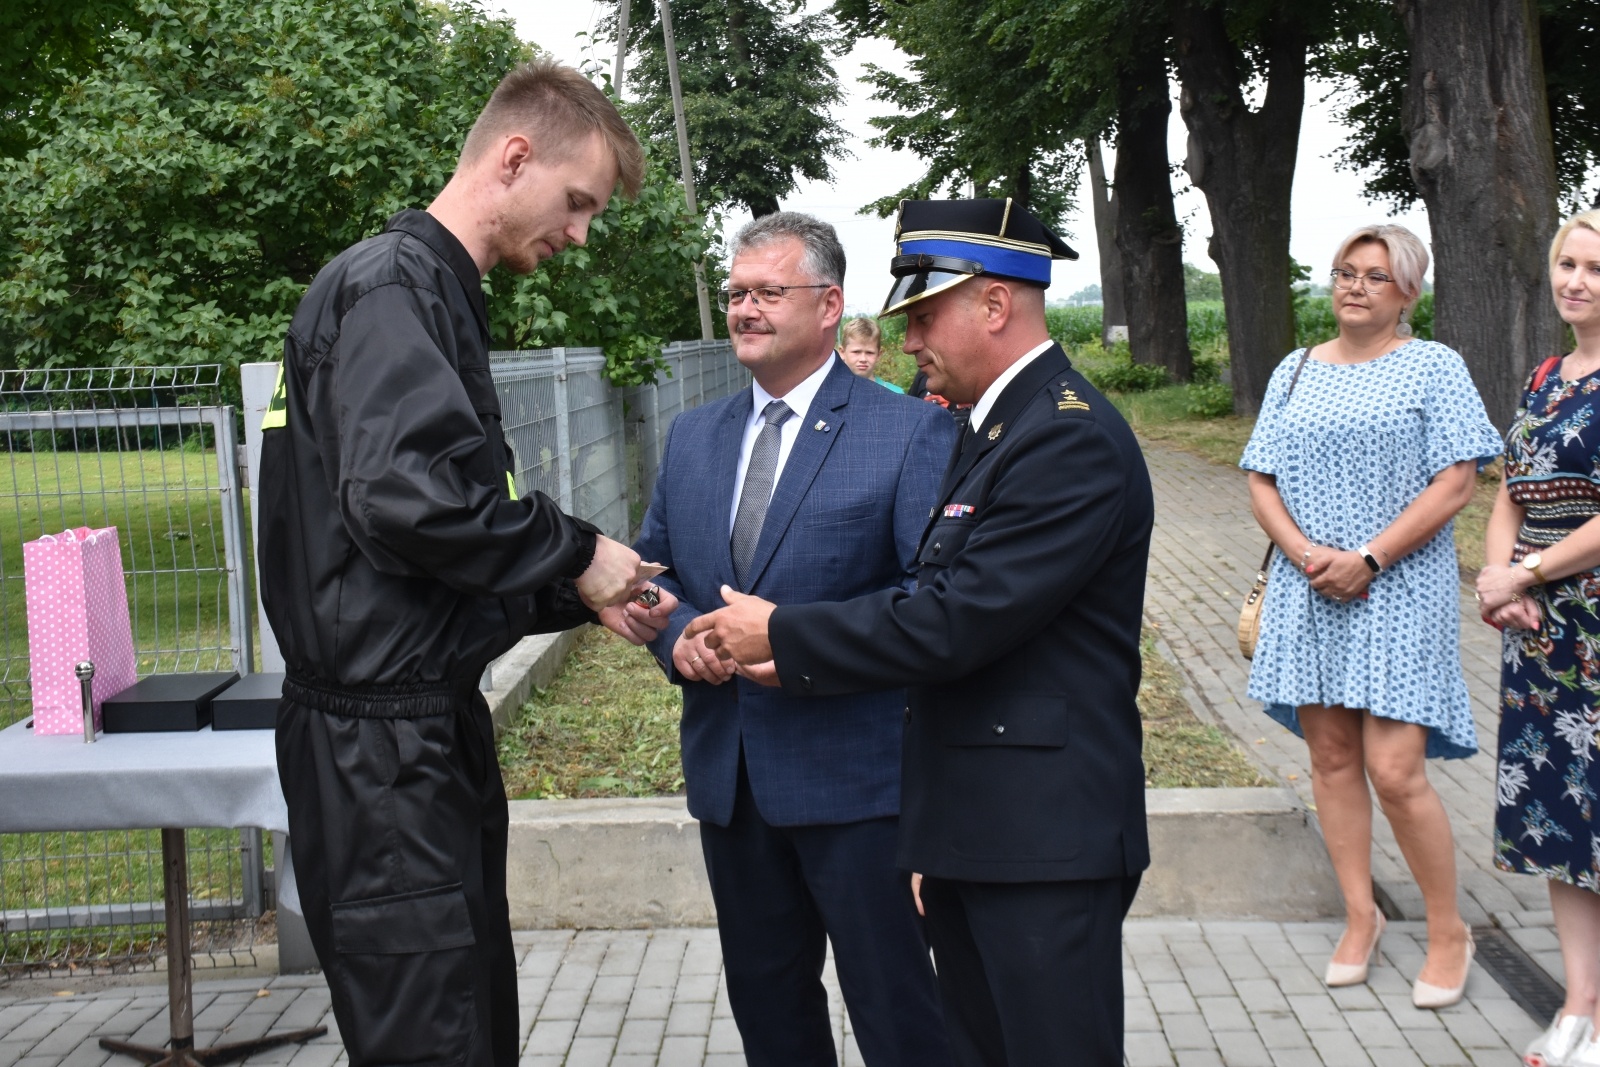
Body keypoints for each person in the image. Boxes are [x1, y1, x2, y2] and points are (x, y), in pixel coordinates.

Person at [257, 60, 676, 1067]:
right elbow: (406, 501)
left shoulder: (425, 291)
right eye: (577, 203)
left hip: (414, 738)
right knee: (435, 1039)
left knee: (468, 1023)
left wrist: (573, 592)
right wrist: (577, 549)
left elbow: (425, 549)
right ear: (514, 156)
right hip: (381, 758)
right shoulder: (394, 288)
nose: (579, 234)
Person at [685, 198, 1152, 1067]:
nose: (907, 342)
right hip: (980, 827)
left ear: (994, 304)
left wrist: (785, 634)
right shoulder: (996, 430)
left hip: (1045, 838)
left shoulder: (1066, 440)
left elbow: (954, 618)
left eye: (925, 315)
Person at [633, 212, 956, 1067]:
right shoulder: (693, 436)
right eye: (736, 293)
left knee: (900, 1015)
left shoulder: (909, 431)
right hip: (731, 781)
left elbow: (929, 599)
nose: (744, 309)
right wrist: (677, 640)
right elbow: (657, 573)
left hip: (861, 784)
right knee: (770, 1012)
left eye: (767, 292)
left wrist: (795, 645)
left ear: (828, 305)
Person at [1240, 223, 1500, 1009]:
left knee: (1394, 768)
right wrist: (1307, 553)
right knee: (1330, 758)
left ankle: (1450, 928)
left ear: (1409, 293)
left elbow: (1458, 479)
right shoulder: (1294, 370)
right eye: (1345, 272)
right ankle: (1362, 915)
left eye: (1375, 277)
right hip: (1309, 584)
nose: (1354, 286)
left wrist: (1369, 557)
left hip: (1398, 585)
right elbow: (1260, 476)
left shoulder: (1433, 367)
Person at [1478, 208, 1600, 1067]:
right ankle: (1579, 1006)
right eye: (1566, 263)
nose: (1576, 281)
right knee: (1563, 820)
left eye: (1595, 267)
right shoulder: (1544, 376)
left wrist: (1528, 571)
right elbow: (1510, 492)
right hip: (1542, 629)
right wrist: (1497, 581)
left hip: (1590, 612)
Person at [840, 316, 905, 392]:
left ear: (879, 355)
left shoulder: (895, 393)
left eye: (869, 353)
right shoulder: (829, 392)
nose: (863, 359)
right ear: (842, 352)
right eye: (856, 352)